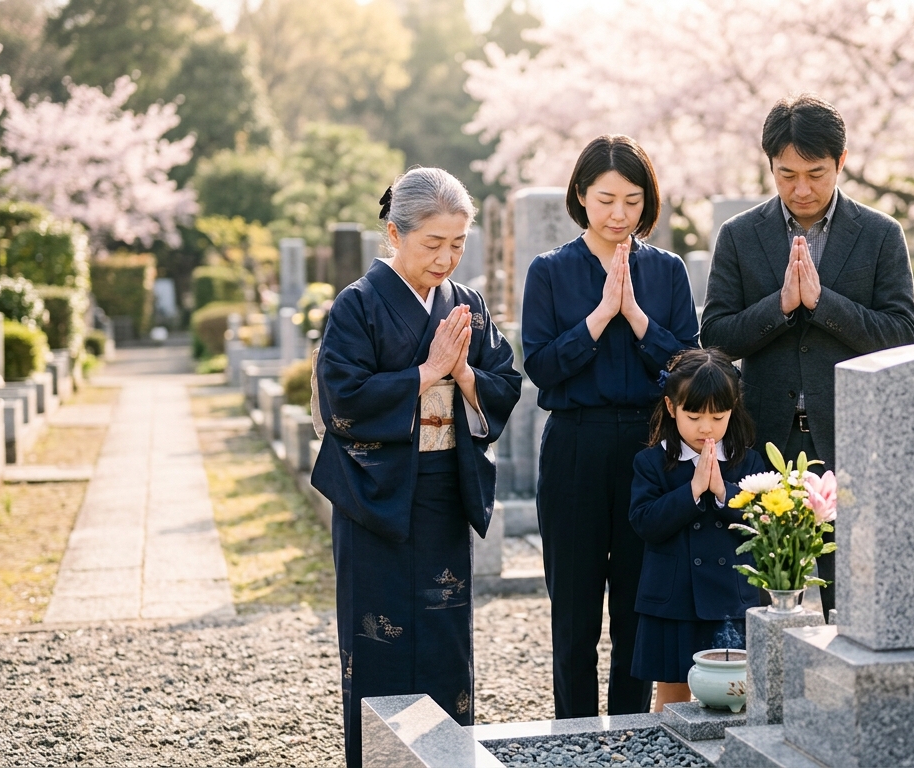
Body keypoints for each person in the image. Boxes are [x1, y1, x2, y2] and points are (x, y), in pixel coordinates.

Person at [310, 167, 522, 766]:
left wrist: (463, 374)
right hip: (373, 494)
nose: (446, 258)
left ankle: (446, 757)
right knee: (375, 640)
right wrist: (426, 372)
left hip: (441, 488)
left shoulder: (467, 305)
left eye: (457, 244)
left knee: (444, 638)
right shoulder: (357, 305)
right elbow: (342, 397)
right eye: (433, 243)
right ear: (394, 234)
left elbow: (505, 381)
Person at [700, 95, 914, 617]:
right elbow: (715, 337)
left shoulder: (881, 235)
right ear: (770, 166)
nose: (801, 189)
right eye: (786, 174)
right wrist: (780, 306)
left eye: (816, 174)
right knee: (768, 589)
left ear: (841, 162)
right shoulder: (739, 235)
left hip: (851, 433)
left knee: (856, 595)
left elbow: (903, 336)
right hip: (766, 436)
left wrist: (823, 304)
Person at [522, 135, 699, 718]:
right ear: (580, 196)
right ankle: (573, 734)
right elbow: (542, 367)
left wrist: (638, 318)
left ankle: (629, 728)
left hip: (650, 449)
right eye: (605, 200)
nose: (619, 214)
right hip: (575, 442)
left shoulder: (667, 271)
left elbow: (689, 368)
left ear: (648, 201)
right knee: (573, 606)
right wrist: (599, 317)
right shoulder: (549, 271)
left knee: (635, 601)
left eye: (631, 200)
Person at [627, 348, 766, 710]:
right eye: (694, 416)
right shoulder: (650, 461)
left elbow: (764, 522)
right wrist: (691, 491)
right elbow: (644, 522)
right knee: (672, 695)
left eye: (718, 417)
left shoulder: (748, 460)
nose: (706, 427)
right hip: (674, 599)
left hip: (730, 598)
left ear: (733, 410)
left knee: (734, 689)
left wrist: (723, 492)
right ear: (671, 408)